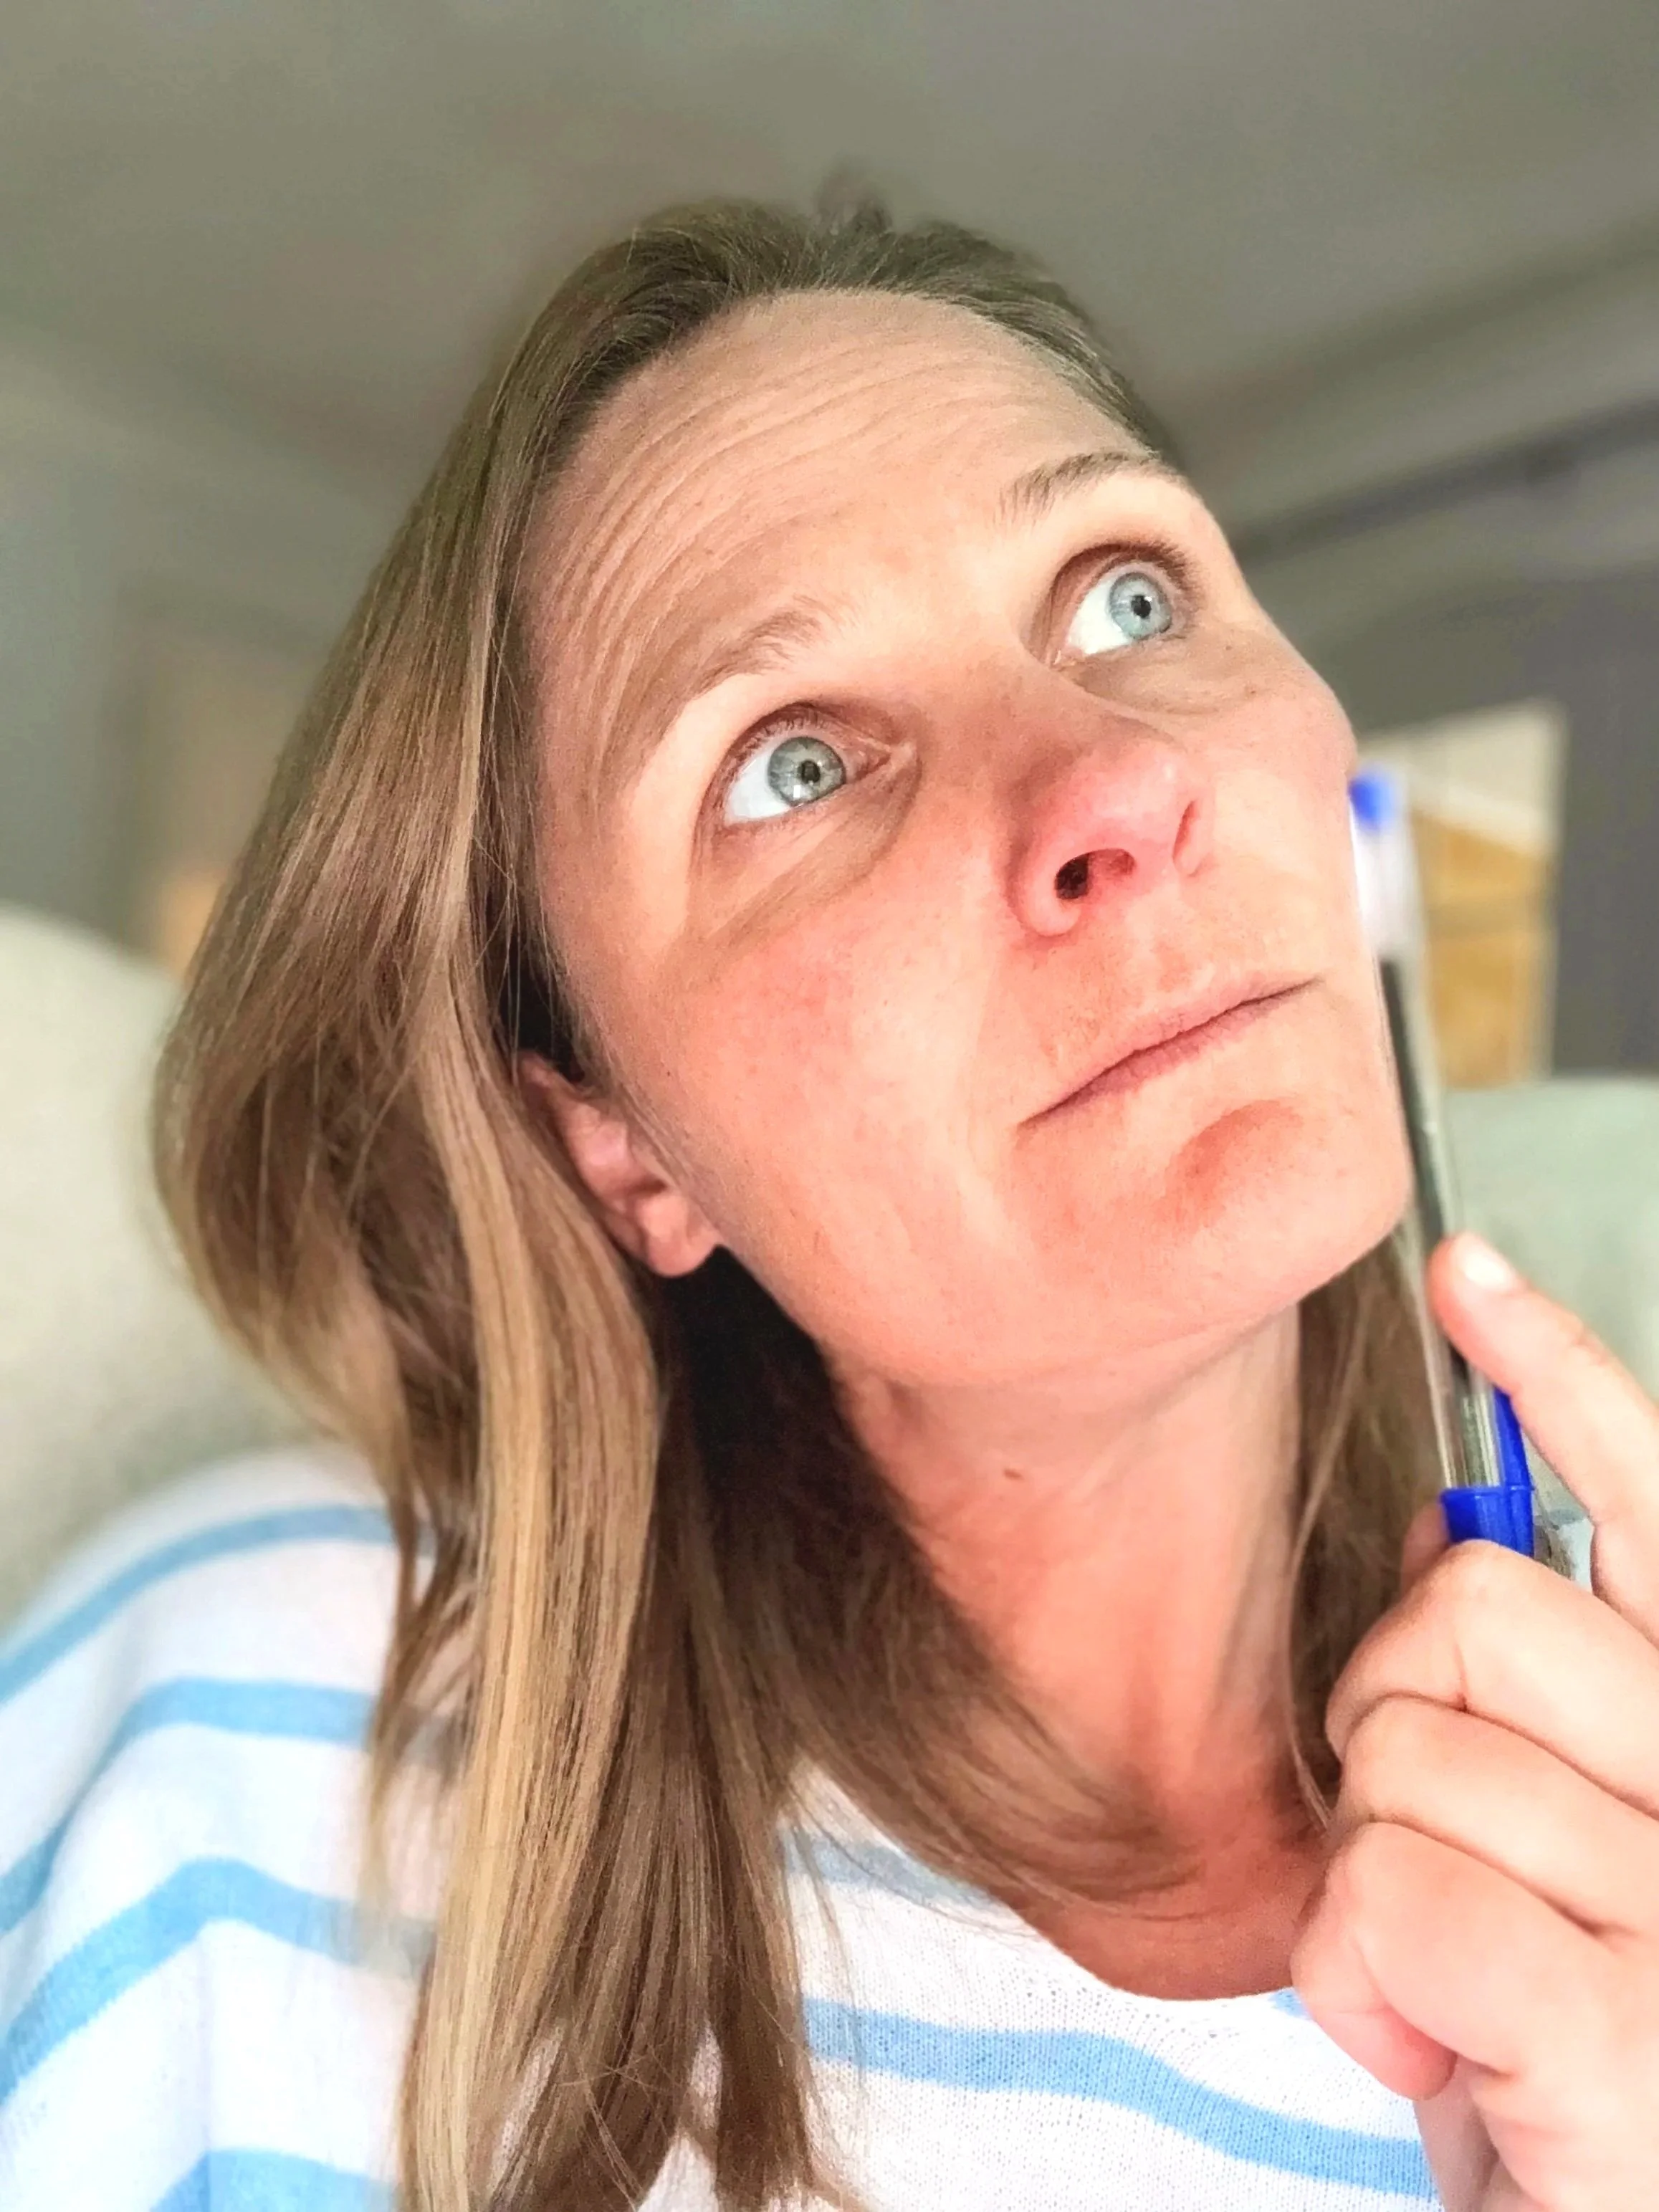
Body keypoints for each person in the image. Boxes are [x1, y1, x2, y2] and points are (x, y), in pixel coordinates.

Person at [3, 191, 1658, 2212]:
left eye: (1128, 600)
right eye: (793, 761)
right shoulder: (248, 1751)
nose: (1113, 789)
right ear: (623, 1145)